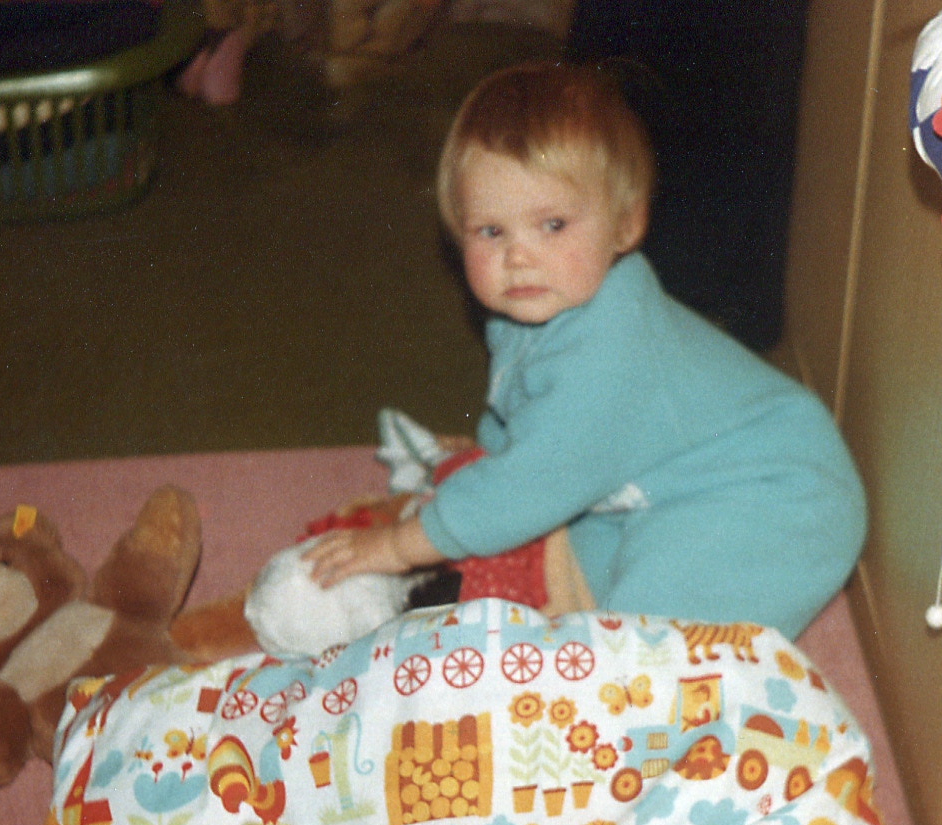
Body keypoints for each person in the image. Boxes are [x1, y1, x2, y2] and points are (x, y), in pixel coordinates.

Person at [306, 60, 866, 639]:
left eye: (552, 225)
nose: (518, 256)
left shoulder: (608, 356)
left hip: (774, 501)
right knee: (561, 559)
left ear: (625, 224)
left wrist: (400, 546)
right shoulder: (544, 305)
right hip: (662, 484)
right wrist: (489, 460)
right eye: (491, 231)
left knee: (643, 644)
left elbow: (526, 485)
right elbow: (524, 407)